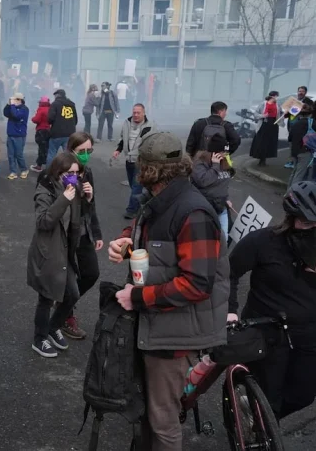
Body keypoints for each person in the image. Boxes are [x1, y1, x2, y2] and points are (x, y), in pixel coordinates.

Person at [108, 131, 227, 451]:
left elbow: (197, 284)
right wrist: (127, 241)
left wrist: (136, 297)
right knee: (149, 412)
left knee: (163, 421)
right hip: (162, 326)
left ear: (149, 170)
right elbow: (144, 226)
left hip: (178, 334)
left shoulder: (193, 212)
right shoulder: (161, 199)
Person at [229, 181, 316, 420]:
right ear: (291, 218)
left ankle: (264, 417)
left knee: (304, 394)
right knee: (269, 396)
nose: (315, 230)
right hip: (266, 331)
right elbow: (228, 273)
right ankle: (261, 427)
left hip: (309, 332)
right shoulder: (262, 242)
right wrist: (231, 310)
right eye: (307, 223)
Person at [28, 153, 84, 357]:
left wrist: (88, 196)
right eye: (69, 173)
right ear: (58, 172)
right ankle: (39, 338)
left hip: (65, 250)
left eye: (77, 173)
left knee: (72, 294)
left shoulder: (74, 189)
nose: (74, 177)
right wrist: (63, 199)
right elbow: (43, 222)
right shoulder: (45, 190)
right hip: (48, 252)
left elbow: (77, 219)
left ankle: (53, 327)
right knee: (46, 297)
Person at [60, 132, 103, 340]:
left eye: (89, 151)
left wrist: (97, 233)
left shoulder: (89, 172)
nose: (85, 155)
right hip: (65, 234)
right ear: (71, 150)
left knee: (91, 273)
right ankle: (66, 317)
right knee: (67, 278)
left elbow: (90, 206)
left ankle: (65, 302)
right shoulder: (59, 171)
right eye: (81, 151)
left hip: (84, 231)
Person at [113, 103, 159, 219]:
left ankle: (131, 210)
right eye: (134, 112)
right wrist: (118, 150)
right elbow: (123, 138)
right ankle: (146, 203)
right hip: (129, 159)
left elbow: (154, 143)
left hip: (141, 160)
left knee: (136, 186)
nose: (136, 115)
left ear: (144, 113)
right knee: (134, 184)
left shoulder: (150, 125)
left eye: (138, 113)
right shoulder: (127, 122)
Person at [191, 133, 235, 237]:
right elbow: (203, 181)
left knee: (225, 237)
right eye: (223, 151)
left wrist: (227, 198)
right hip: (206, 208)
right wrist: (215, 166)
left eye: (226, 151)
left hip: (221, 206)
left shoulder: (225, 160)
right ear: (215, 152)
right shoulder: (200, 163)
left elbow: (225, 181)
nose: (226, 154)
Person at [288, 104, 316, 188]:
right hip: (305, 151)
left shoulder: (296, 124)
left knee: (294, 172)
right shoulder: (310, 122)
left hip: (295, 151)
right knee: (299, 175)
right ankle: (293, 193)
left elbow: (290, 138)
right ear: (310, 114)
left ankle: (288, 191)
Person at [46, 89, 78, 165]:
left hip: (56, 133)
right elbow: (75, 120)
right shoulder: (72, 104)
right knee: (69, 155)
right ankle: (68, 171)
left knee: (51, 153)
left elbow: (50, 119)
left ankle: (48, 172)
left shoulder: (55, 104)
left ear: (57, 95)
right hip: (70, 133)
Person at [3, 93, 29, 180]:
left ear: (21, 100)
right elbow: (6, 113)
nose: (14, 101)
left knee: (19, 154)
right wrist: (8, 105)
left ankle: (24, 169)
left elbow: (16, 115)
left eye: (16, 99)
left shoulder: (25, 109)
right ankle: (13, 171)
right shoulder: (12, 108)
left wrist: (12, 105)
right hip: (10, 134)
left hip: (19, 135)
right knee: (11, 155)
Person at [250, 94, 280, 167]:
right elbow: (256, 114)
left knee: (270, 143)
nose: (276, 98)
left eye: (277, 96)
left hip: (273, 125)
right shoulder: (263, 104)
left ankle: (264, 160)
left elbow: (281, 115)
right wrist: (263, 116)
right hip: (264, 124)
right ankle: (261, 160)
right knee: (262, 142)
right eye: (274, 96)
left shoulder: (278, 105)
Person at [30, 96, 51, 172]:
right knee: (47, 148)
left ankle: (39, 166)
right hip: (49, 130)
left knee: (42, 149)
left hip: (41, 130)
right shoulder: (51, 108)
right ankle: (48, 165)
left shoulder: (41, 109)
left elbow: (36, 119)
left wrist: (32, 118)